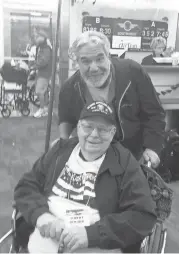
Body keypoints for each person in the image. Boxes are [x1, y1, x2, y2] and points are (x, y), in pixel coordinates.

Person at [14, 102, 157, 253]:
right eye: (88, 126)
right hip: (45, 240)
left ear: (113, 132)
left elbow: (143, 216)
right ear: (79, 127)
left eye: (103, 129)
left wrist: (91, 235)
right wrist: (41, 215)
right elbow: (26, 186)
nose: (94, 134)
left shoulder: (125, 163)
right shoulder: (60, 151)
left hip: (95, 245)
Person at [57, 31, 166, 168]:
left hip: (133, 156)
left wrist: (152, 147)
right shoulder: (70, 88)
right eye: (85, 61)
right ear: (77, 62)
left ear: (108, 55)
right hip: (93, 159)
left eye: (99, 58)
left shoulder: (133, 72)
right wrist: (62, 142)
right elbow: (66, 119)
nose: (94, 68)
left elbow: (154, 113)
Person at [33, 29, 52, 118]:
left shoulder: (46, 49)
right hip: (42, 73)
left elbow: (43, 61)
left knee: (39, 91)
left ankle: (42, 109)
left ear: (43, 38)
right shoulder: (42, 48)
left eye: (37, 37)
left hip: (44, 73)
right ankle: (45, 110)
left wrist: (35, 65)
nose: (36, 39)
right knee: (43, 92)